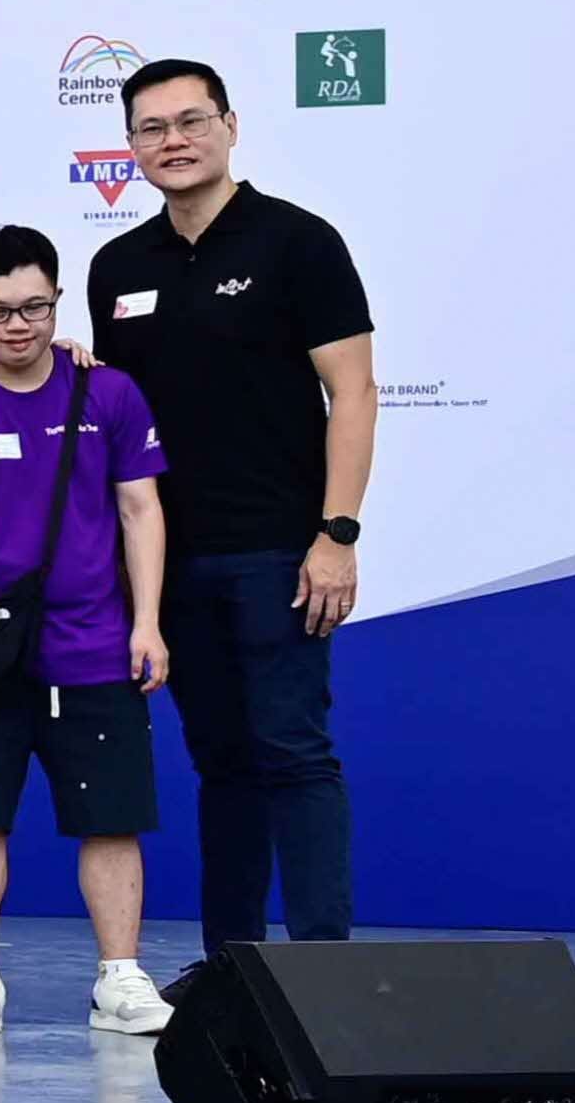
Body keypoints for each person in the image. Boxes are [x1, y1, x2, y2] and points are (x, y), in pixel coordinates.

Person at [87, 58, 377, 954]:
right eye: (150, 128)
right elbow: (116, 421)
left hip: (280, 554)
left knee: (293, 754)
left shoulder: (298, 241)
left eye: (189, 121)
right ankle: (236, 970)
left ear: (228, 125)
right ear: (130, 144)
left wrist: (334, 534)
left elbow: (354, 392)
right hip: (169, 561)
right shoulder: (115, 266)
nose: (171, 141)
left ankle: (321, 970)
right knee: (221, 766)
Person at [0, 226, 177, 1037]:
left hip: (94, 644)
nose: (16, 325)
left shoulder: (108, 393)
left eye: (33, 307)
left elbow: (139, 508)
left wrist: (147, 621)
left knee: (110, 818)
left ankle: (118, 977)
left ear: (57, 299)